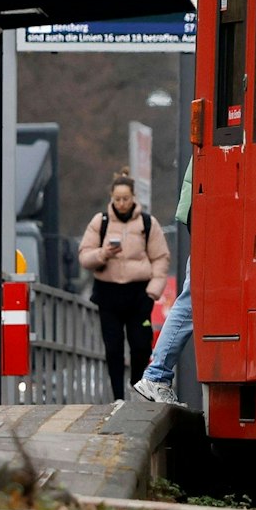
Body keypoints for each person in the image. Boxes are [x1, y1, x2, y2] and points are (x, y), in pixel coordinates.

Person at [77, 169, 169, 400]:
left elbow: (160, 257)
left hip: (139, 294)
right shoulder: (101, 222)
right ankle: (118, 396)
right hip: (108, 294)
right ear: (111, 197)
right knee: (113, 347)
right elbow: (84, 256)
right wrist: (103, 254)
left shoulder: (148, 223)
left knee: (141, 345)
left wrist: (153, 292)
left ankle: (135, 383)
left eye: (125, 198)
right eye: (117, 199)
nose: (121, 203)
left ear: (133, 197)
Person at [132, 162, 195, 407]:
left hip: (199, 213)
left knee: (192, 298)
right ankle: (157, 375)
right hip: (207, 215)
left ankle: (157, 375)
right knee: (193, 299)